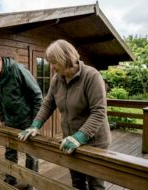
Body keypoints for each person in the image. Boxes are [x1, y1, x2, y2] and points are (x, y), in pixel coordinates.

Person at [18, 39, 111, 190]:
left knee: (96, 185)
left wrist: (79, 137)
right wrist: (35, 125)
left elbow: (99, 112)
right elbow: (48, 104)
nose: (51, 66)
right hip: (69, 139)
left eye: (54, 62)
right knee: (77, 182)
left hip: (94, 141)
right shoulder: (57, 79)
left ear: (66, 58)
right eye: (50, 62)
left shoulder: (91, 76)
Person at [0, 49, 43, 189]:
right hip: (10, 121)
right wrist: (3, 119)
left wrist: (35, 123)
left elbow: (37, 95)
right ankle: (11, 178)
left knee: (31, 153)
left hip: (27, 119)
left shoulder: (17, 69)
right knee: (10, 151)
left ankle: (31, 183)